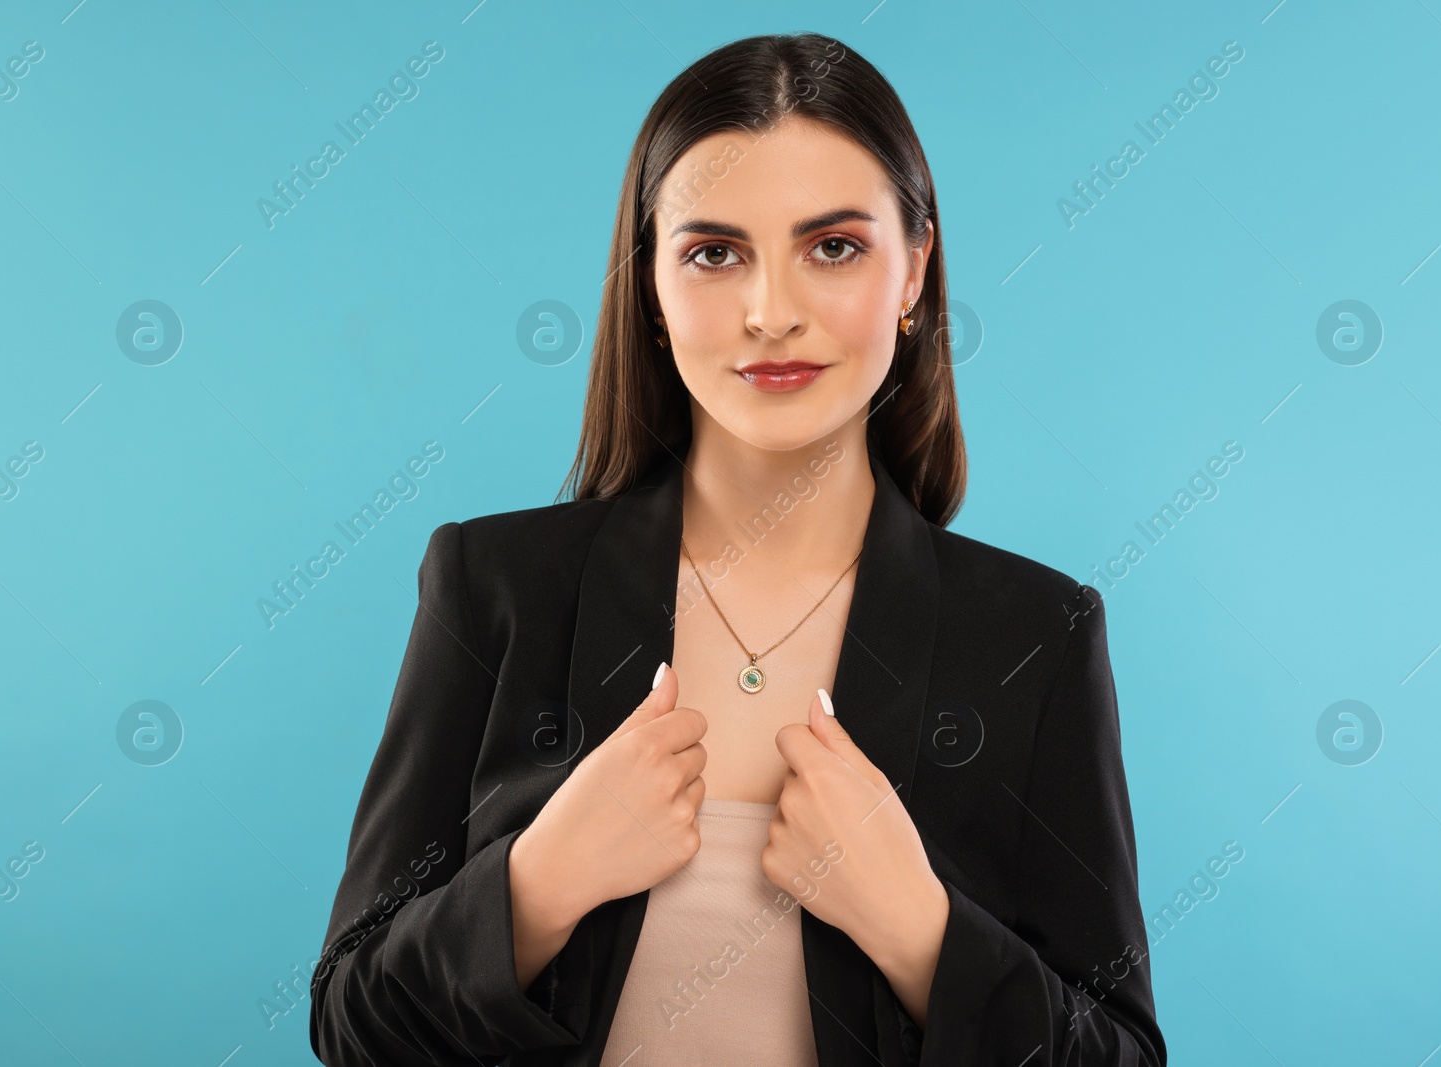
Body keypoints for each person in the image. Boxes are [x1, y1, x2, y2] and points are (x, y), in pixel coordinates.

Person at [310, 32, 1166, 1067]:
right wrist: (537, 884)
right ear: (652, 289)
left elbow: (1115, 1054)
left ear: (915, 268)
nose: (771, 313)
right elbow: (354, 1024)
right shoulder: (493, 588)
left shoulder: (1038, 632)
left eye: (833, 247)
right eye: (715, 252)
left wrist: (918, 928)